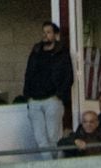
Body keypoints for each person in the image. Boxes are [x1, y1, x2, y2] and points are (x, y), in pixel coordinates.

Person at [20, 21, 74, 152]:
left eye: (48, 32)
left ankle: (55, 166)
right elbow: (28, 73)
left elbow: (68, 76)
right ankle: (49, 166)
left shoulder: (62, 52)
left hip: (52, 99)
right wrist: (27, 95)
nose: (45, 35)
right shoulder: (36, 51)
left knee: (53, 137)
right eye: (43, 32)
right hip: (34, 100)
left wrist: (59, 95)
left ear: (56, 35)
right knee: (40, 138)